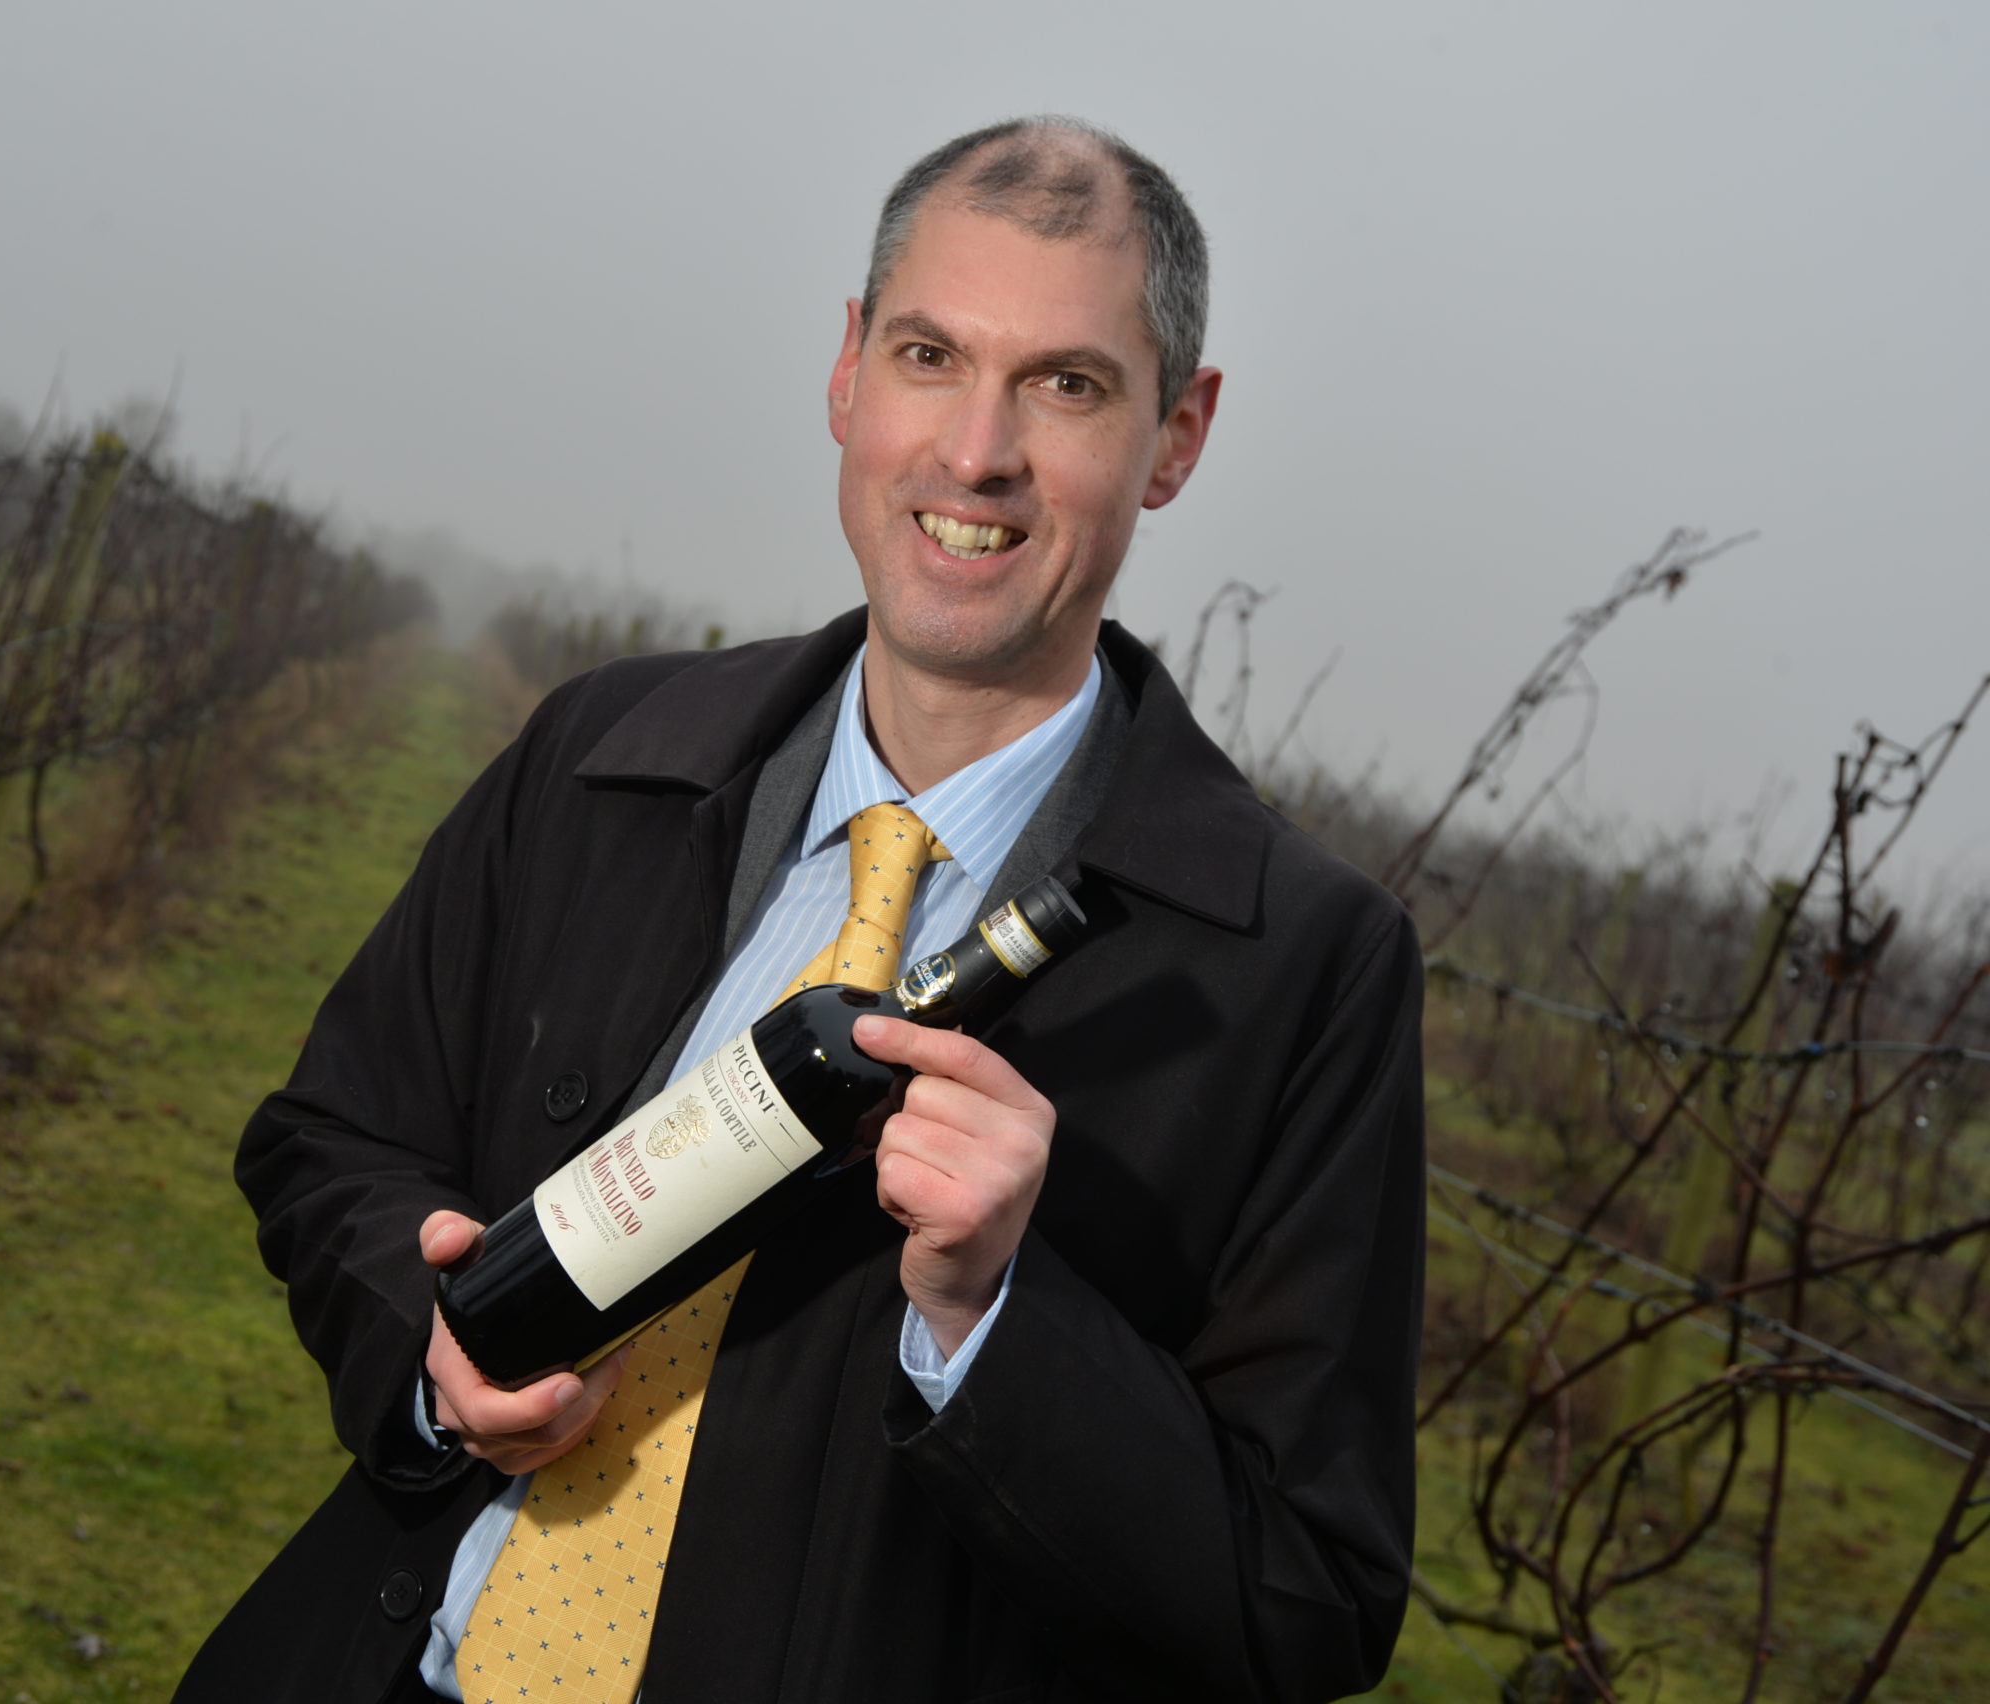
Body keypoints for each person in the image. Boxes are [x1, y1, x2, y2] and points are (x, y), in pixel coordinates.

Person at [178, 116, 1424, 1704]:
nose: (976, 452)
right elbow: (327, 1144)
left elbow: (1303, 1597)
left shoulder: (1305, 972)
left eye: (1068, 384)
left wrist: (995, 1319)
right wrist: (423, 1342)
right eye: (929, 353)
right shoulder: (596, 759)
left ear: (1177, 436)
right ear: (848, 370)